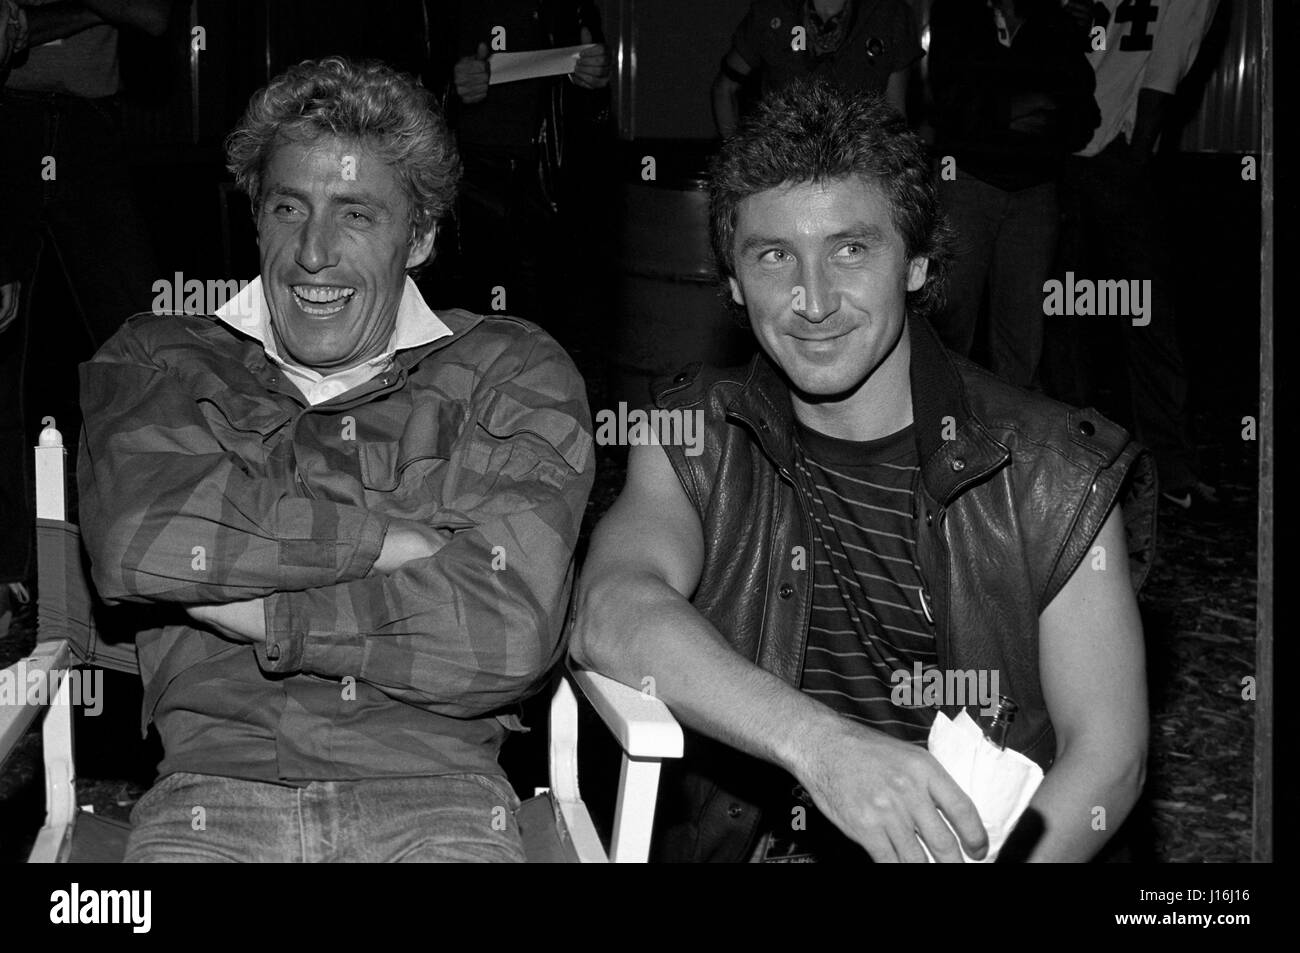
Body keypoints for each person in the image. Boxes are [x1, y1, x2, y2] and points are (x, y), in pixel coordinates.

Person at [571, 81, 1155, 863]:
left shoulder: (1052, 470)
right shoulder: (698, 434)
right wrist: (823, 748)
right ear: (736, 284)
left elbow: (1110, 756)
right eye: (775, 256)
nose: (813, 300)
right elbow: (608, 612)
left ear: (915, 262)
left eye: (851, 248)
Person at [76, 57, 595, 863]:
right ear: (256, 217)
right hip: (213, 798)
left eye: (356, 215)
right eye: (289, 207)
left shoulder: (508, 368)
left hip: (441, 801)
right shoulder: (158, 357)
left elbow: (507, 634)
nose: (313, 253)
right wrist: (391, 546)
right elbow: (136, 544)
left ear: (419, 235)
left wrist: (248, 606)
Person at [0, 0, 169, 637]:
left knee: (138, 344)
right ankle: (5, 576)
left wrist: (31, 21)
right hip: (5, 121)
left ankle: (159, 556)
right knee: (0, 356)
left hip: (90, 125)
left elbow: (153, 15)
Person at [1046, 0, 1221, 513]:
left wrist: (1137, 155)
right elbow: (1106, 46)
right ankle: (1070, 459)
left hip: (1114, 150)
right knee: (1067, 310)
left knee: (1136, 312)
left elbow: (1162, 74)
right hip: (1068, 142)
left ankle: (1166, 465)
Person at [927, 0, 1098, 388]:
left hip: (1035, 193)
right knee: (949, 319)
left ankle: (1014, 437)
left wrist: (1005, 110)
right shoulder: (957, 11)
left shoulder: (1054, 19)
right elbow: (949, 98)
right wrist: (1017, 108)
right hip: (966, 184)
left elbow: (1083, 110)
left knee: (1023, 336)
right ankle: (941, 426)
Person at [438, 0, 611, 333]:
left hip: (549, 176)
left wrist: (594, 78)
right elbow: (408, 68)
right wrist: (450, 88)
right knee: (467, 317)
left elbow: (596, 105)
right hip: (463, 177)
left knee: (550, 319)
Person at [711, 0, 922, 136]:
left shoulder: (889, 14)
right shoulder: (772, 12)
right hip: (783, 172)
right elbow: (724, 90)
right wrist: (740, 167)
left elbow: (896, 119)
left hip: (858, 173)